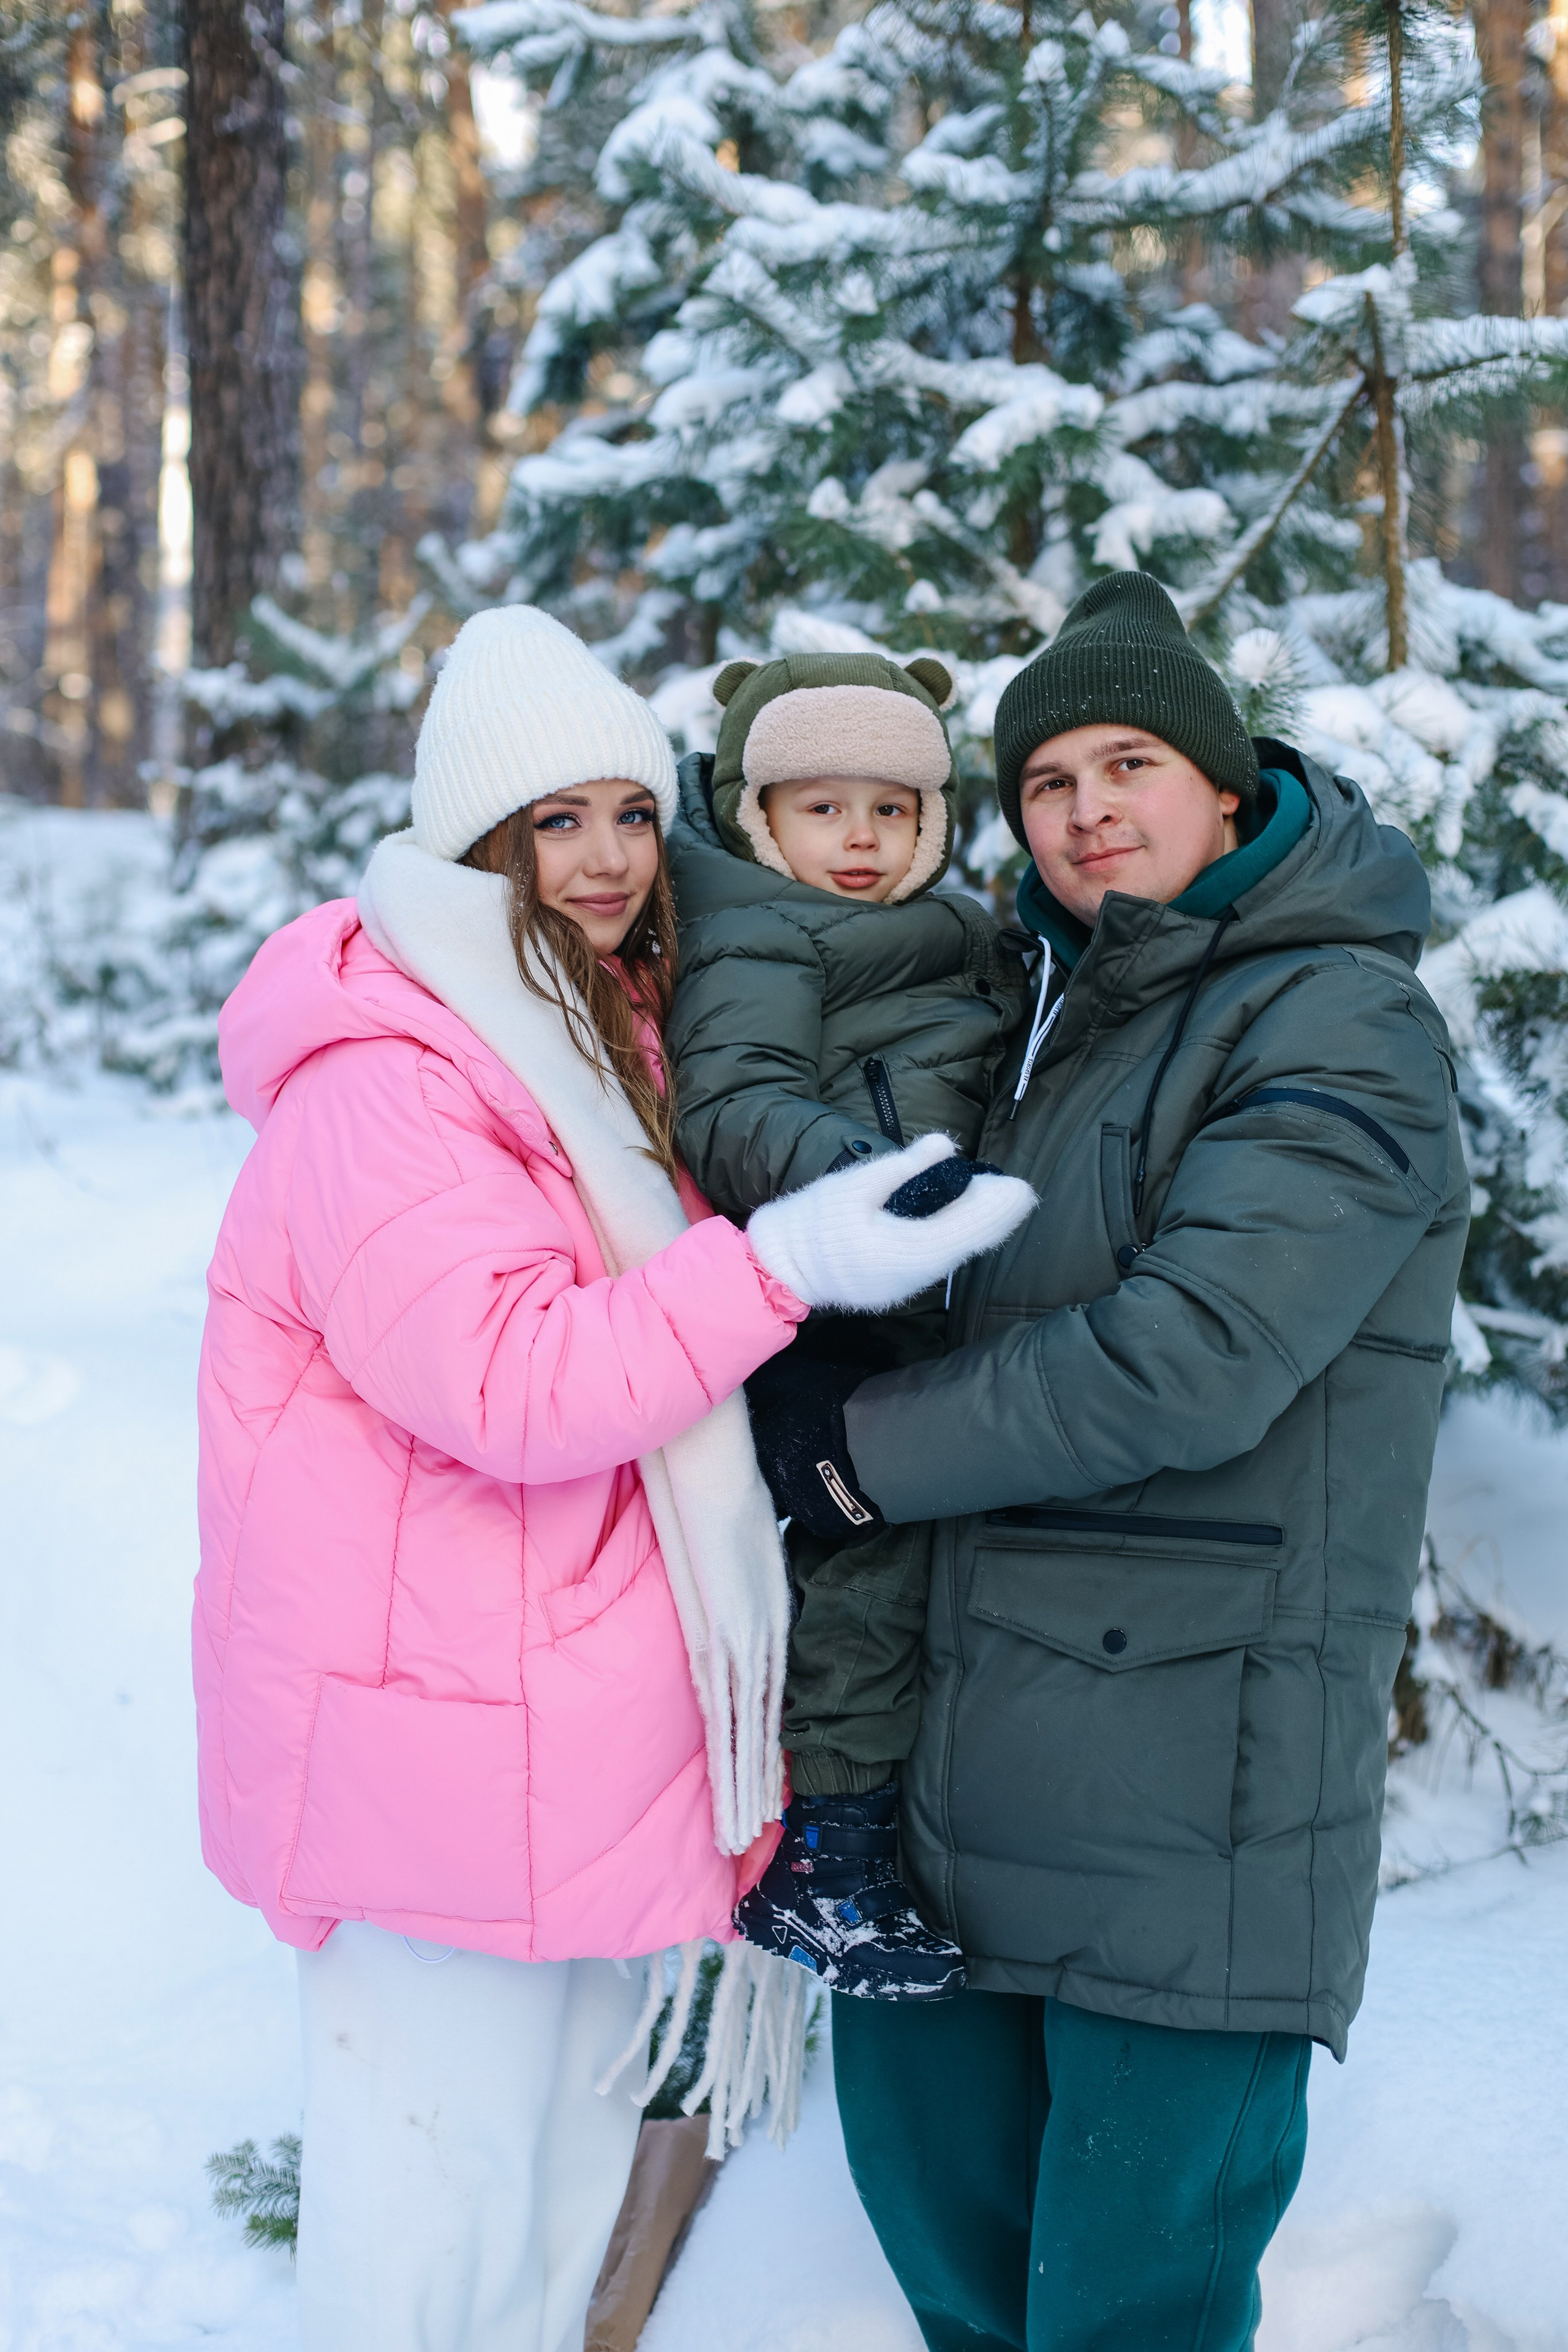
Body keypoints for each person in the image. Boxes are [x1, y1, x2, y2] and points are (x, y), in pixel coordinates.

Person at [192, 605, 1034, 2352]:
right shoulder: (392, 1077)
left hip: (551, 1742)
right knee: (430, 2229)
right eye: (551, 822)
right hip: (427, 1747)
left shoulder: (589, 1035)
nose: (602, 859)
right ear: (469, 840)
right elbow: (513, 1383)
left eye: (632, 814)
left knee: (547, 2215)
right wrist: (781, 1262)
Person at [750, 573, 1470, 2352]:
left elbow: (1196, 1353)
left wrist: (848, 1458)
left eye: (1127, 762)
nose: (1083, 809)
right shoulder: (1046, 1017)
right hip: (955, 1773)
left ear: (1226, 784)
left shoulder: (1334, 1021)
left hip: (1189, 1785)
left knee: (1126, 2309)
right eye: (1045, 781)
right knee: (960, 2280)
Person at [663, 650, 1025, 1997]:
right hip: (830, 1299)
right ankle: (827, 1852)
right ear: (757, 816)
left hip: (931, 1288)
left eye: (891, 809)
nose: (860, 839)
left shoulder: (961, 931)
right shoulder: (758, 932)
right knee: (864, 1560)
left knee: (920, 1559)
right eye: (822, 809)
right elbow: (733, 1103)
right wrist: (870, 1182)